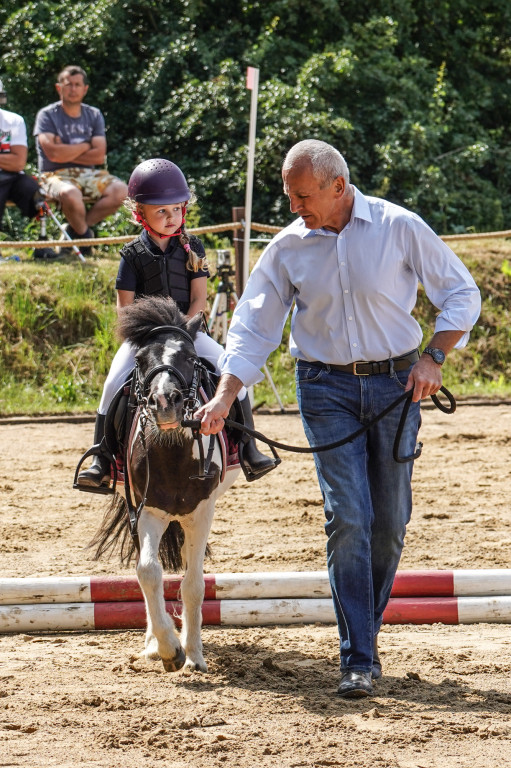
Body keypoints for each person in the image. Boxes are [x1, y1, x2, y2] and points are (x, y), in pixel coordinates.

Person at [195, 139, 481, 698]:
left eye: (302, 196)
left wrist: (435, 356)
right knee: (348, 513)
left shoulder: (400, 227)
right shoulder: (287, 247)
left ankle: (362, 637)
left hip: (398, 385)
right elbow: (254, 327)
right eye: (289, 195)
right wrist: (225, 396)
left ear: (338, 187)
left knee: (390, 519)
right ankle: (358, 657)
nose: (294, 206)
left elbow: (460, 293)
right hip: (324, 388)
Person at [76, 157, 277, 490]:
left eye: (177, 210)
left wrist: (183, 330)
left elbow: (199, 298)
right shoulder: (132, 254)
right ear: (140, 213)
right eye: (162, 212)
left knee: (232, 368)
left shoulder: (192, 247)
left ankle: (248, 448)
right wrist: (151, 335)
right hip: (145, 340)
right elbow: (125, 308)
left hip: (187, 333)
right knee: (112, 382)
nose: (172, 219)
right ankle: (101, 458)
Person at [33, 65, 127, 254]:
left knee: (121, 190)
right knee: (71, 194)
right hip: (54, 174)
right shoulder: (47, 115)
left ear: (85, 89)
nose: (73, 89)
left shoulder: (93, 114)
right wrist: (86, 145)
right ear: (59, 88)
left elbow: (99, 155)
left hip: (89, 173)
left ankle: (75, 231)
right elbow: (53, 154)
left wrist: (65, 148)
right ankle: (84, 238)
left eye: (77, 85)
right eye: (68, 84)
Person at [0, 77, 43, 230]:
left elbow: (18, 162)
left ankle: (42, 239)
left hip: (11, 176)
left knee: (34, 192)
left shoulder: (13, 120)